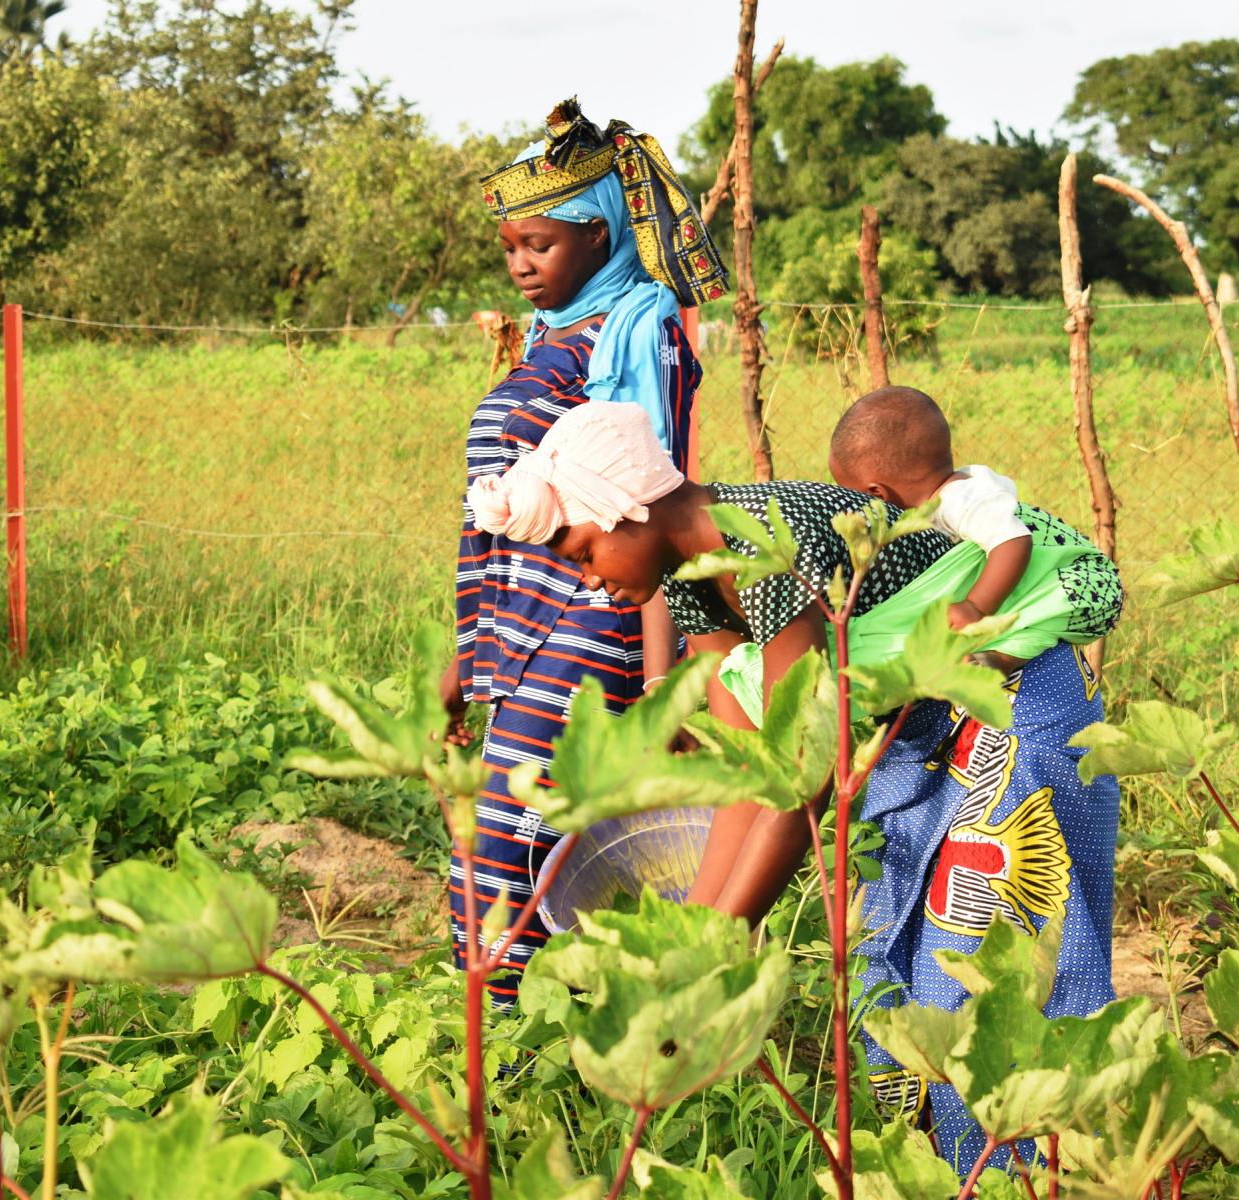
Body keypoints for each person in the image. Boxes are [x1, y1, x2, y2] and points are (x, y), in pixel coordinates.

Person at [469, 402, 1121, 1180]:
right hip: (923, 727)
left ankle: (1041, 1183)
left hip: (1003, 702)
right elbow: (752, 764)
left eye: (580, 552)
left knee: (989, 974)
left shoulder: (759, 547)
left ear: (624, 509)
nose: (586, 577)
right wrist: (694, 942)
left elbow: (803, 773)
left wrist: (710, 963)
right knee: (895, 974)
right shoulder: (693, 575)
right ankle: (949, 1179)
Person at [446, 99, 727, 1001]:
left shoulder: (633, 334)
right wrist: (468, 654)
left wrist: (658, 688)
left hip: (591, 615)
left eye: (543, 243)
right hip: (518, 622)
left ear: (601, 234)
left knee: (513, 843)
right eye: (511, 247)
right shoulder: (546, 342)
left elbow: (648, 509)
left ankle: (508, 1043)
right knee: (514, 847)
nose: (522, 264)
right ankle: (521, 1037)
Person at [828, 385, 1123, 673]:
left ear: (878, 494)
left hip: (1086, 583)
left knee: (1032, 620)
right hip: (1068, 584)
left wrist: (975, 606)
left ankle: (999, 662)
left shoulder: (960, 500)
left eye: (852, 494)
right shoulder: (950, 495)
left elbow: (1014, 541)